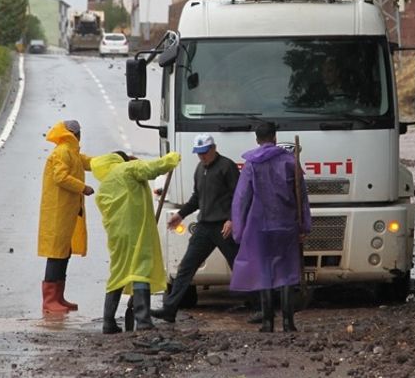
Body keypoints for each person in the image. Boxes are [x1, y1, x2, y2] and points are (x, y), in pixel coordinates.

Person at [230, 122, 312, 332]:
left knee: (263, 270)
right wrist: (304, 226)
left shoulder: (251, 164)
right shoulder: (290, 162)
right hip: (285, 224)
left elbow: (241, 199)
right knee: (286, 272)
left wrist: (239, 230)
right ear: (275, 138)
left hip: (259, 226)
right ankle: (288, 322)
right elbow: (301, 196)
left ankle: (267, 322)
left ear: (257, 140)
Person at [151, 133, 241, 323]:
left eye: (205, 152)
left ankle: (259, 306)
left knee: (239, 266)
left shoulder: (227, 167)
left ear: (214, 148)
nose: (202, 157)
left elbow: (238, 196)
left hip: (223, 226)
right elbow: (196, 198)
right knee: (186, 267)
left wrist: (232, 219)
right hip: (204, 227)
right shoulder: (200, 169)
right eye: (199, 153)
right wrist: (180, 214)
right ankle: (170, 309)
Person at [92, 149, 182, 333]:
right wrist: (171, 159)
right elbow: (152, 169)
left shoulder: (105, 184)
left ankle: (108, 322)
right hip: (136, 231)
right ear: (123, 160)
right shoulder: (127, 169)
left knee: (119, 272)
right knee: (140, 269)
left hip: (117, 235)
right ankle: (143, 321)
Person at [37, 120, 92, 314]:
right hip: (57, 212)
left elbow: (90, 162)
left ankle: (58, 297)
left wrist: (116, 161)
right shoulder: (62, 152)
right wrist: (83, 187)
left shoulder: (72, 152)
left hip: (66, 212)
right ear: (74, 134)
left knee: (64, 253)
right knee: (56, 254)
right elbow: (60, 177)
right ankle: (49, 300)